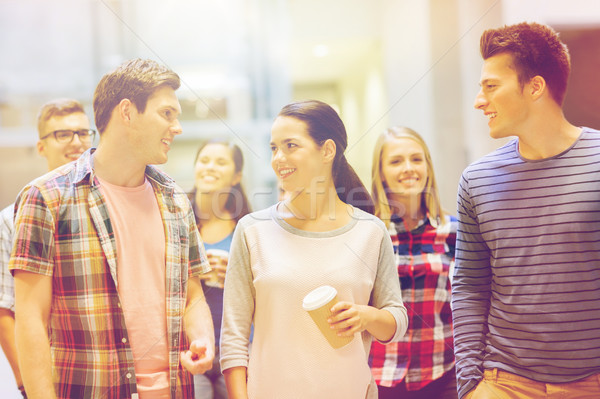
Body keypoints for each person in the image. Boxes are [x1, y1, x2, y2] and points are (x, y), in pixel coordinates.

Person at [9, 59, 215, 399]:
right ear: (127, 112)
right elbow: (30, 320)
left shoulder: (176, 198)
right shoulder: (46, 198)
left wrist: (203, 337)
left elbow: (192, 297)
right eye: (167, 114)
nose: (177, 127)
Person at [219, 99, 409, 399]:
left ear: (328, 150)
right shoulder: (252, 230)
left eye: (291, 145)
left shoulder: (370, 231)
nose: (278, 158)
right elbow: (233, 339)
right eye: (274, 148)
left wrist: (366, 317)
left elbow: (395, 322)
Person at [452, 22, 600, 399]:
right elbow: (469, 284)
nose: (478, 101)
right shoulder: (477, 180)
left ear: (534, 87)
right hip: (505, 383)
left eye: (490, 87)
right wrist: (470, 386)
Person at [0, 98, 94, 398]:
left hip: (104, 366)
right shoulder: (11, 218)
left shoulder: (108, 205)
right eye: (63, 134)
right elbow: (5, 308)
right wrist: (26, 384)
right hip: (50, 370)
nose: (76, 142)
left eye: (83, 132)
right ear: (41, 146)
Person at [369, 126, 457, 399]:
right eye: (396, 161)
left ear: (428, 166)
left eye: (416, 159)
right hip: (378, 377)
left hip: (442, 375)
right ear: (381, 173)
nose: (408, 168)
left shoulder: (454, 230)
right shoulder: (367, 232)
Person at [190, 139, 251, 399]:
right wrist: (192, 273)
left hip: (238, 349)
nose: (210, 167)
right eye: (204, 160)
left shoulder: (247, 227)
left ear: (236, 175)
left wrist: (238, 280)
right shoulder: (176, 219)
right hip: (191, 346)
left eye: (221, 162)